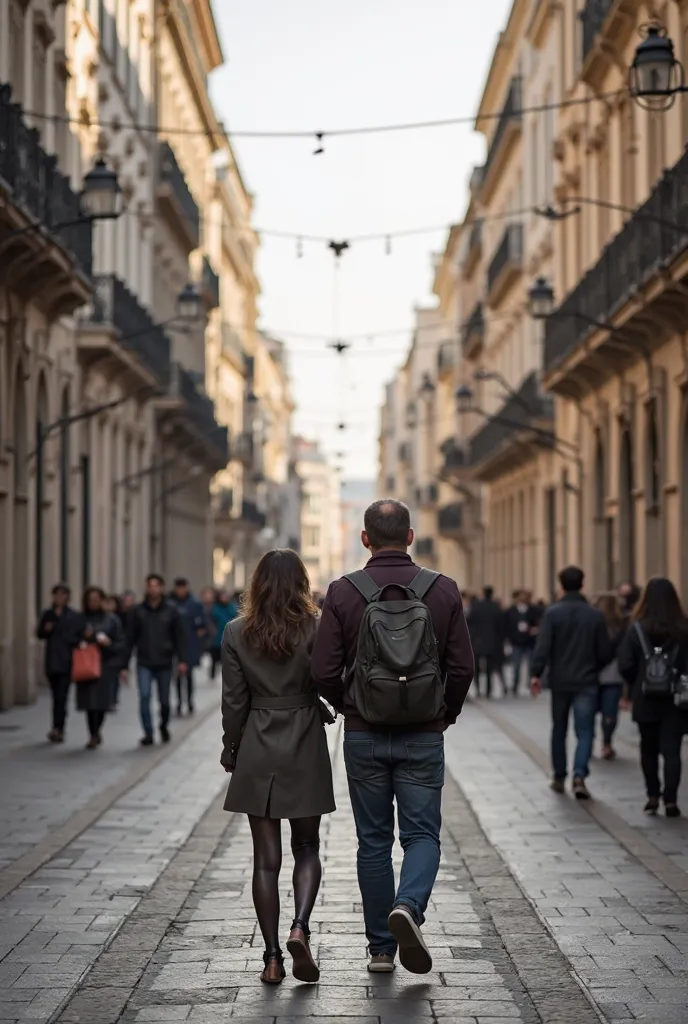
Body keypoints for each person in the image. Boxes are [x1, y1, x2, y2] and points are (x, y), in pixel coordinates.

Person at [311, 499, 474, 975]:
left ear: (365, 538)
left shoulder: (343, 592)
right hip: (423, 732)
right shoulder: (441, 590)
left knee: (373, 842)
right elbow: (462, 666)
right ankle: (409, 906)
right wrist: (445, 714)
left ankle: (381, 948)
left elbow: (322, 670)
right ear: (410, 536)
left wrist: (349, 706)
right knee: (422, 834)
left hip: (363, 733)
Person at [221, 549, 335, 986]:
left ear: (257, 583)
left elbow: (234, 701)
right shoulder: (318, 625)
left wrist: (232, 748)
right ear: (302, 582)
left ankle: (271, 958)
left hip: (258, 742)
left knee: (265, 860)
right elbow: (330, 678)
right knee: (307, 846)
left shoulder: (235, 631)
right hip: (305, 735)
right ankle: (300, 927)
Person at [531, 566, 612, 799]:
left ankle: (559, 776)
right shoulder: (595, 615)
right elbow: (605, 651)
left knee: (559, 728)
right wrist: (593, 667)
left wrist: (536, 673)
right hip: (587, 680)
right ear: (582, 584)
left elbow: (543, 647)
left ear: (561, 585)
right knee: (585, 730)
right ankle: (579, 775)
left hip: (560, 681)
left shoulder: (553, 613)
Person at [617, 577, 688, 817]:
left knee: (648, 748)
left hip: (645, 697)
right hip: (676, 700)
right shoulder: (683, 628)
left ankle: (652, 795)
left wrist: (638, 681)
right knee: (672, 750)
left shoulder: (636, 628)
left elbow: (625, 663)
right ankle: (671, 799)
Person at [126, 574, 187, 746]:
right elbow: (130, 638)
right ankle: (148, 732)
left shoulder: (171, 610)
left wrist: (182, 660)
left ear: (161, 588)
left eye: (156, 586)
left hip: (164, 662)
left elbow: (179, 637)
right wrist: (123, 665)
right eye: (149, 586)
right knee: (144, 696)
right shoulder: (138, 611)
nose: (152, 589)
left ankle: (163, 725)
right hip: (144, 661)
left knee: (164, 700)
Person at [75, 587, 125, 749]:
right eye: (90, 600)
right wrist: (83, 639)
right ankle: (93, 733)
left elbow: (119, 643)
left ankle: (97, 730)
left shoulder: (111, 620)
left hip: (106, 663)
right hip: (87, 662)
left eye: (97, 599)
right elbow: (71, 637)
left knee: (102, 701)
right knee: (89, 701)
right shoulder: (80, 619)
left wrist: (108, 644)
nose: (93, 603)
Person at [36, 583, 82, 743]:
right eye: (56, 595)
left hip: (66, 660)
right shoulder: (48, 615)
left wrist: (70, 640)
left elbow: (78, 636)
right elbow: (39, 634)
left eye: (63, 595)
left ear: (68, 598)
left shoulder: (73, 616)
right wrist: (46, 629)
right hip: (51, 660)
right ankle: (56, 726)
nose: (59, 598)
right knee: (55, 696)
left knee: (61, 697)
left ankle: (59, 728)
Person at [593, 592, 627, 760]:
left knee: (589, 711)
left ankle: (588, 741)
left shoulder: (591, 624)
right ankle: (607, 744)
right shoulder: (622, 626)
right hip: (614, 675)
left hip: (592, 673)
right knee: (610, 712)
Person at [169, 578, 207, 715]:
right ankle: (179, 702)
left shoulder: (194, 604)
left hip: (190, 644)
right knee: (177, 675)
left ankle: (189, 701)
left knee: (189, 674)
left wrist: (198, 643)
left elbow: (201, 625)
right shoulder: (170, 603)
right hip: (174, 645)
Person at [467, 586, 506, 698]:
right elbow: (501, 626)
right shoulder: (496, 607)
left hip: (477, 641)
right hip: (492, 641)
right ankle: (488, 689)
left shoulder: (476, 607)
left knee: (477, 667)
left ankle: (478, 689)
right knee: (489, 668)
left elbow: (469, 622)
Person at [504, 589, 539, 695]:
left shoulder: (533, 610)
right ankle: (515, 685)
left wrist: (534, 629)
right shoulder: (511, 611)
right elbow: (507, 625)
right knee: (516, 665)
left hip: (529, 641)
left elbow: (538, 623)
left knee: (531, 665)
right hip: (516, 641)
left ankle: (531, 684)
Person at [210, 589, 237, 680]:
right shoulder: (215, 608)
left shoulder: (232, 607)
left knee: (226, 658)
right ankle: (212, 674)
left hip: (229, 636)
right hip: (217, 636)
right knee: (214, 658)